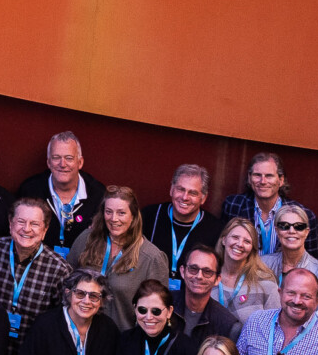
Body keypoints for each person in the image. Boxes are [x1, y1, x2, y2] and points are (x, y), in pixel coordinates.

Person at [0, 200, 71, 355]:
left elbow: (61, 323)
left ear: (45, 230)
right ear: (11, 224)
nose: (26, 229)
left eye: (34, 224)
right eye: (21, 221)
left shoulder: (59, 270)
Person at [68, 185, 171, 329]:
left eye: (121, 213)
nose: (114, 219)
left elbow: (157, 311)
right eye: (108, 212)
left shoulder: (151, 258)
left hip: (122, 337)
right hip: (79, 331)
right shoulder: (86, 240)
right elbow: (67, 284)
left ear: (133, 216)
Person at [221, 150, 318, 257]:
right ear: (249, 178)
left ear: (281, 180)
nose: (263, 181)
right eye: (257, 175)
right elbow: (222, 249)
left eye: (269, 176)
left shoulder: (304, 216)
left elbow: (311, 260)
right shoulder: (233, 205)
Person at [17, 131, 98, 255]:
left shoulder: (97, 194)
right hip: (40, 261)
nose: (62, 164)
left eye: (69, 158)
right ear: (48, 162)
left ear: (80, 162)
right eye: (56, 158)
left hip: (81, 263)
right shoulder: (30, 190)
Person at [143, 163, 218, 274]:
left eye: (193, 193)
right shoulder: (149, 216)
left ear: (203, 198)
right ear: (171, 189)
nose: (185, 197)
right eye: (181, 189)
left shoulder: (215, 229)